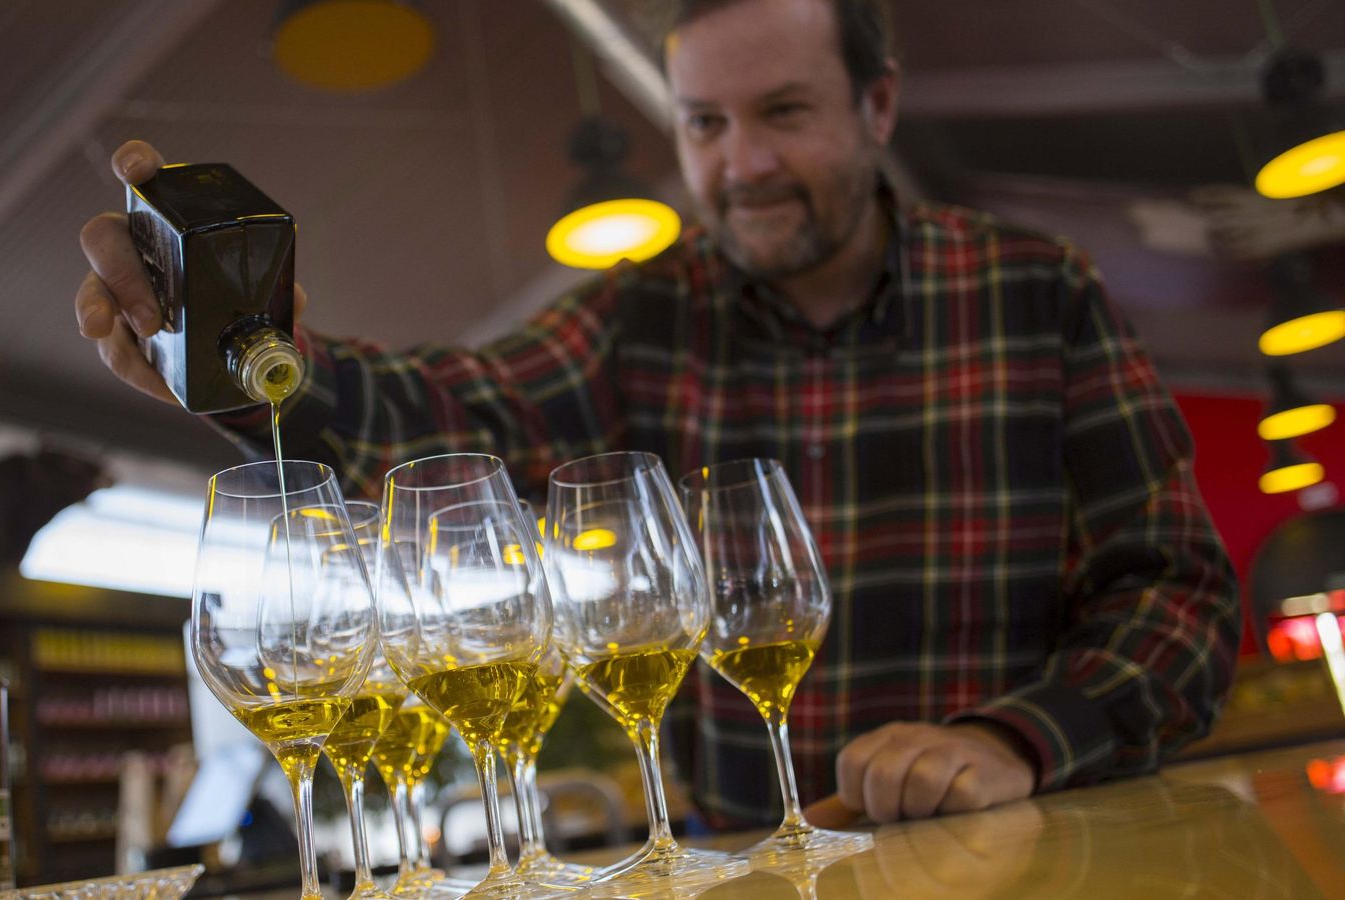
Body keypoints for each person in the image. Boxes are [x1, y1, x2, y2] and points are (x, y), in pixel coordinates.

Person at [74, 0, 1239, 826]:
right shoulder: (645, 314)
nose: (742, 164)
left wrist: (1013, 739)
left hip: (1032, 847)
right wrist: (246, 361)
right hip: (764, 865)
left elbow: (1178, 597)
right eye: (704, 124)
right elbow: (454, 416)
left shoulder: (1036, 290)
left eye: (782, 112)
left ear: (879, 104)